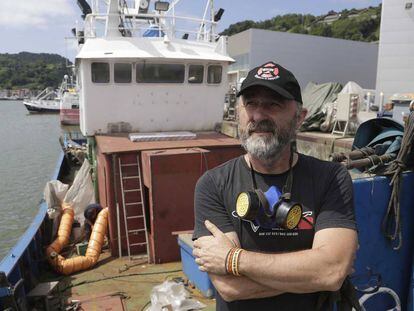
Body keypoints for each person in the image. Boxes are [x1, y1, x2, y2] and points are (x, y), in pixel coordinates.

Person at [192, 61, 358, 310]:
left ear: (300, 117)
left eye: (273, 104)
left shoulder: (331, 178)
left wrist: (234, 259)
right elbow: (230, 288)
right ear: (239, 111)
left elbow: (332, 272)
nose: (258, 116)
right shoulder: (212, 184)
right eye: (251, 104)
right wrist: (314, 274)